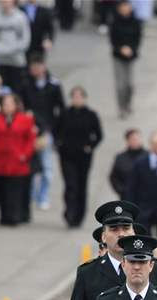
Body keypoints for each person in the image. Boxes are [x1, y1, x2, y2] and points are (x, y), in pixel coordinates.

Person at [54, 86, 103, 228]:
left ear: (84, 98)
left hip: (83, 156)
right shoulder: (65, 113)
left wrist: (90, 146)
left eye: (79, 96)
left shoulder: (91, 115)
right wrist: (59, 145)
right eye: (74, 96)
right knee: (70, 184)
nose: (77, 99)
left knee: (81, 185)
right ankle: (69, 212)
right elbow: (55, 131)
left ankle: (79, 216)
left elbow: (98, 135)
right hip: (67, 155)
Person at [20, 55, 64, 211]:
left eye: (37, 65)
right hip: (28, 130)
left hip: (46, 131)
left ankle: (43, 195)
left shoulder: (53, 85)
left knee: (46, 167)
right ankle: (31, 195)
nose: (35, 69)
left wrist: (52, 130)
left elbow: (60, 109)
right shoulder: (25, 84)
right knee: (30, 165)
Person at [0, 93, 35, 226]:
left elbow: (30, 140)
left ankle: (14, 216)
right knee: (0, 189)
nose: (7, 107)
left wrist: (25, 155)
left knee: (14, 190)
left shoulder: (25, 119)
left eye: (10, 104)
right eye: (5, 104)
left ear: (16, 105)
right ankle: (4, 215)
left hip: (17, 162)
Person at [0, 0, 30, 94]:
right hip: (0, 60)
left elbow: (25, 39)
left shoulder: (20, 17)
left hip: (16, 61)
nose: (5, 2)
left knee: (17, 91)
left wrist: (12, 49)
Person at [109, 0, 142, 118]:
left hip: (131, 56)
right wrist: (120, 49)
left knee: (130, 84)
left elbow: (138, 39)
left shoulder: (135, 22)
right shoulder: (114, 22)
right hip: (118, 56)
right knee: (120, 85)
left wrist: (131, 49)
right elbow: (112, 40)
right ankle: (121, 107)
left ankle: (128, 104)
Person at [109, 128, 145, 197]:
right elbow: (114, 177)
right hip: (126, 197)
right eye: (133, 139)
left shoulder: (149, 156)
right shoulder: (120, 157)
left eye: (138, 138)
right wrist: (122, 190)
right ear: (127, 141)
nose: (136, 141)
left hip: (145, 199)